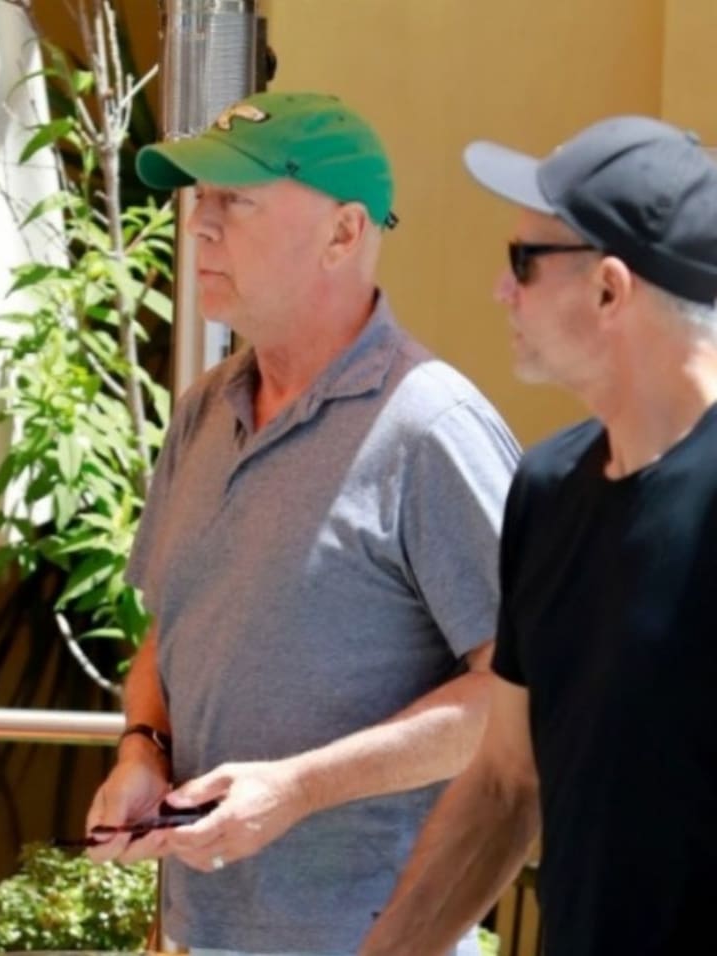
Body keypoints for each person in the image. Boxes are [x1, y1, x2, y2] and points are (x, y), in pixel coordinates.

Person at [84, 90, 520, 956]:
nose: (199, 224)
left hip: (380, 938)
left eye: (235, 199)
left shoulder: (431, 425)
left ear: (344, 232)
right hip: (201, 931)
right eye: (200, 197)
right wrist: (143, 748)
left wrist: (301, 788)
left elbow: (522, 696)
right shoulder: (203, 409)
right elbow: (173, 631)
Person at [360, 114, 717, 956]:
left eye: (523, 261)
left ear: (609, 290)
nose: (501, 290)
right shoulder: (548, 489)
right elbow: (503, 785)